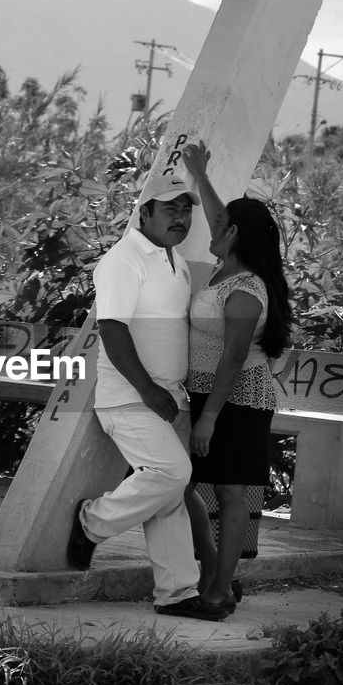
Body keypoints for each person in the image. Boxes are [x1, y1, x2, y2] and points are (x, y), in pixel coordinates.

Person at [65, 169, 231, 622]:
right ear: (145, 212)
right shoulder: (123, 260)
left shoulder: (173, 260)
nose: (180, 217)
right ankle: (92, 522)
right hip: (130, 397)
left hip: (169, 396)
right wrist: (147, 388)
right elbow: (112, 328)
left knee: (170, 499)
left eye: (185, 210)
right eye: (170, 208)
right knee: (171, 474)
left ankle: (177, 595)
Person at [180, 140, 293, 614]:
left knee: (227, 493)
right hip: (206, 395)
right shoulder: (228, 270)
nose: (213, 226)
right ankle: (216, 574)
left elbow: (231, 360)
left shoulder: (246, 290)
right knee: (181, 486)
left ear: (236, 236)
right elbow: (217, 215)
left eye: (223, 225)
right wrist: (200, 173)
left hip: (236, 401)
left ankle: (219, 589)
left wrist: (207, 419)